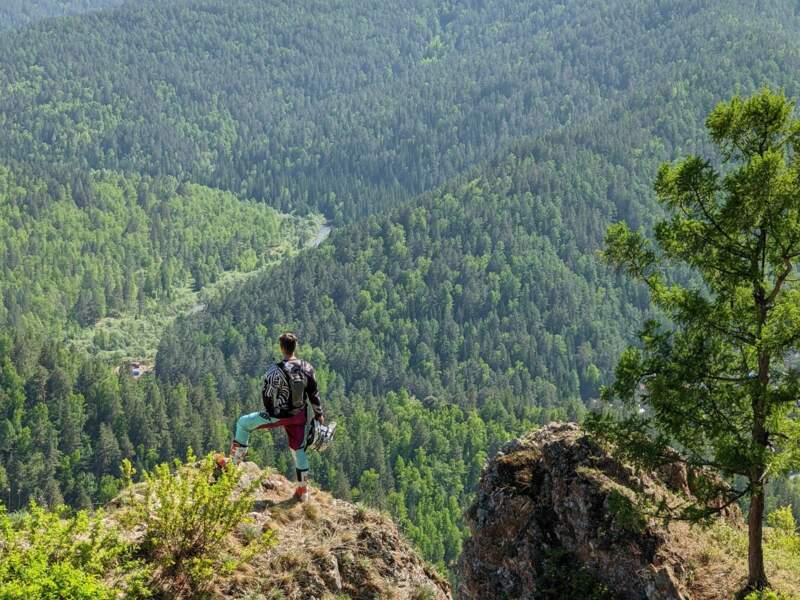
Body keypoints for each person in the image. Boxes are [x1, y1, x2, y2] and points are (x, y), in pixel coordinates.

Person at [217, 332, 324, 501]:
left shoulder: (275, 370)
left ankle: (233, 464)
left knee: (243, 423)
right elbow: (314, 394)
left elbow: (267, 393)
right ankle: (303, 492)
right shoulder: (307, 367)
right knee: (299, 449)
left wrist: (269, 411)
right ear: (295, 347)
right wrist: (319, 415)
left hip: (279, 414)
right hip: (300, 415)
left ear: (281, 348)